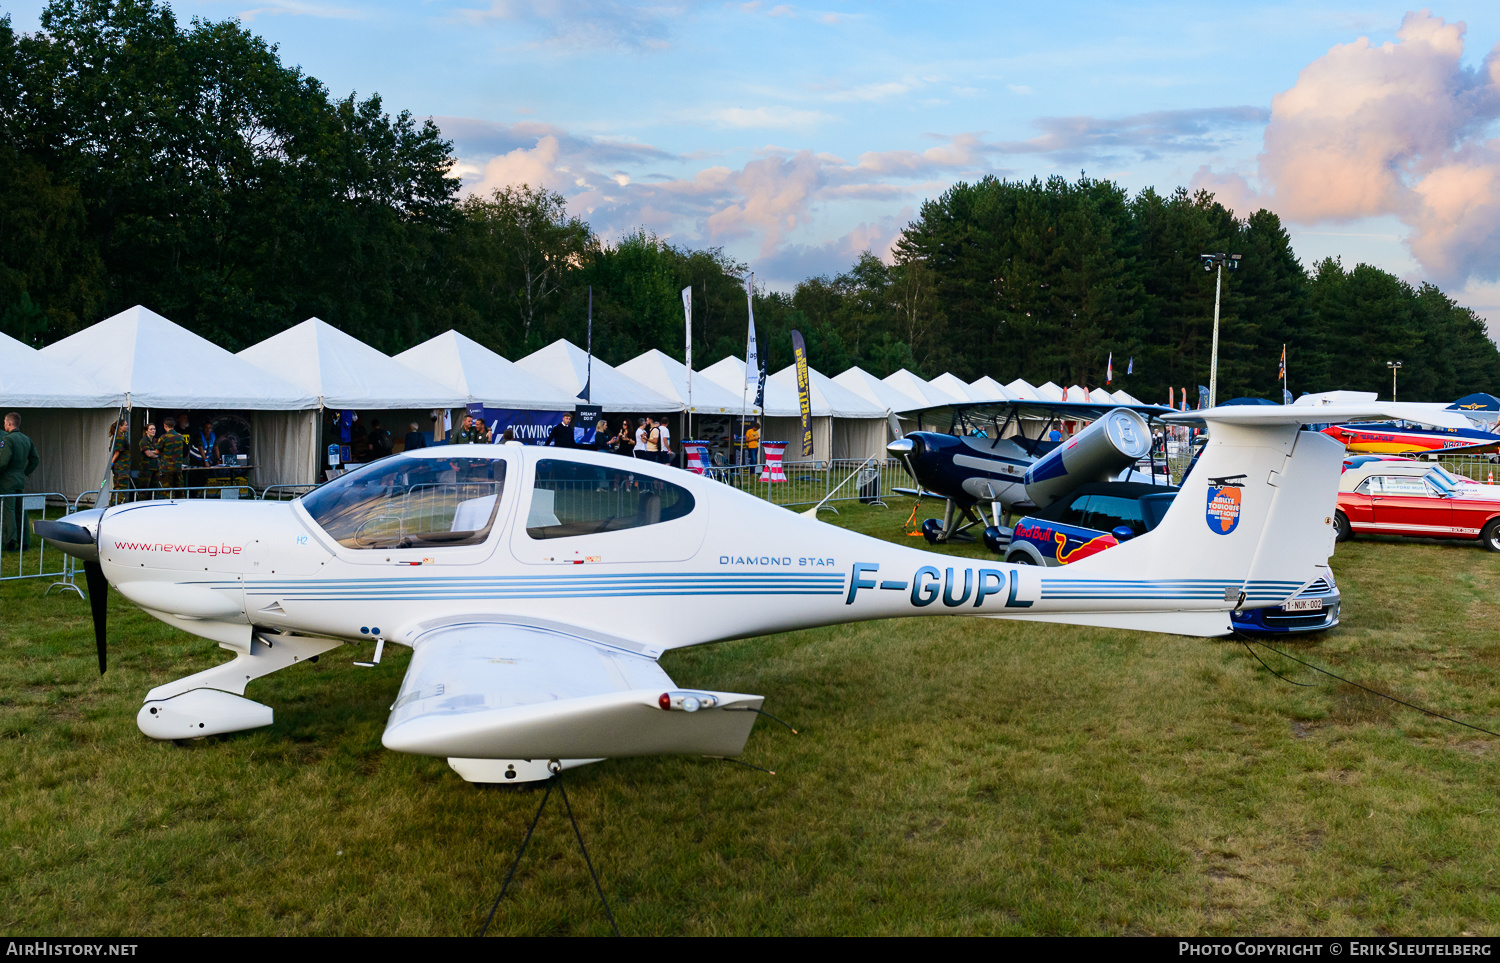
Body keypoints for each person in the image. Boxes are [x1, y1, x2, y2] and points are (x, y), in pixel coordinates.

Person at [1, 412, 39, 550]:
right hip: (20, 479)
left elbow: (3, 461)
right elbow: (35, 459)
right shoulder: (26, 439)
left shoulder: (8, 440)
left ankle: (11, 541)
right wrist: (25, 472)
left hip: (8, 480)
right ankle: (25, 542)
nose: (4, 424)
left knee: (9, 510)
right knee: (21, 511)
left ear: (10, 423)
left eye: (5, 422)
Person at [158, 416, 187, 497]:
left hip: (167, 468)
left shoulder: (163, 437)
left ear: (165, 426)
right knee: (180, 490)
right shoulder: (180, 436)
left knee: (168, 491)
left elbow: (157, 450)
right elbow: (185, 449)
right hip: (177, 467)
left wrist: (164, 454)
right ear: (173, 425)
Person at [138, 422, 162, 494]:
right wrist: (157, 454)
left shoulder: (156, 441)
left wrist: (154, 452)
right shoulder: (144, 441)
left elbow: (160, 451)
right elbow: (148, 454)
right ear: (146, 431)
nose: (153, 431)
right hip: (146, 469)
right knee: (144, 490)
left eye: (154, 429)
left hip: (156, 468)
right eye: (151, 429)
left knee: (155, 489)